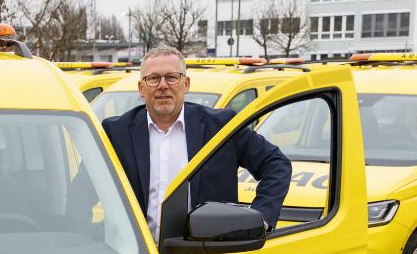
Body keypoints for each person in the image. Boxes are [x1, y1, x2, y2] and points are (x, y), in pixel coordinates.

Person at [101, 46, 290, 242]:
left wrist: (260, 219)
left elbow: (276, 164)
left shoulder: (222, 127)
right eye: (153, 78)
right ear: (141, 88)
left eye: (172, 77)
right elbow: (86, 187)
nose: (163, 85)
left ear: (186, 84)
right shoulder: (116, 133)